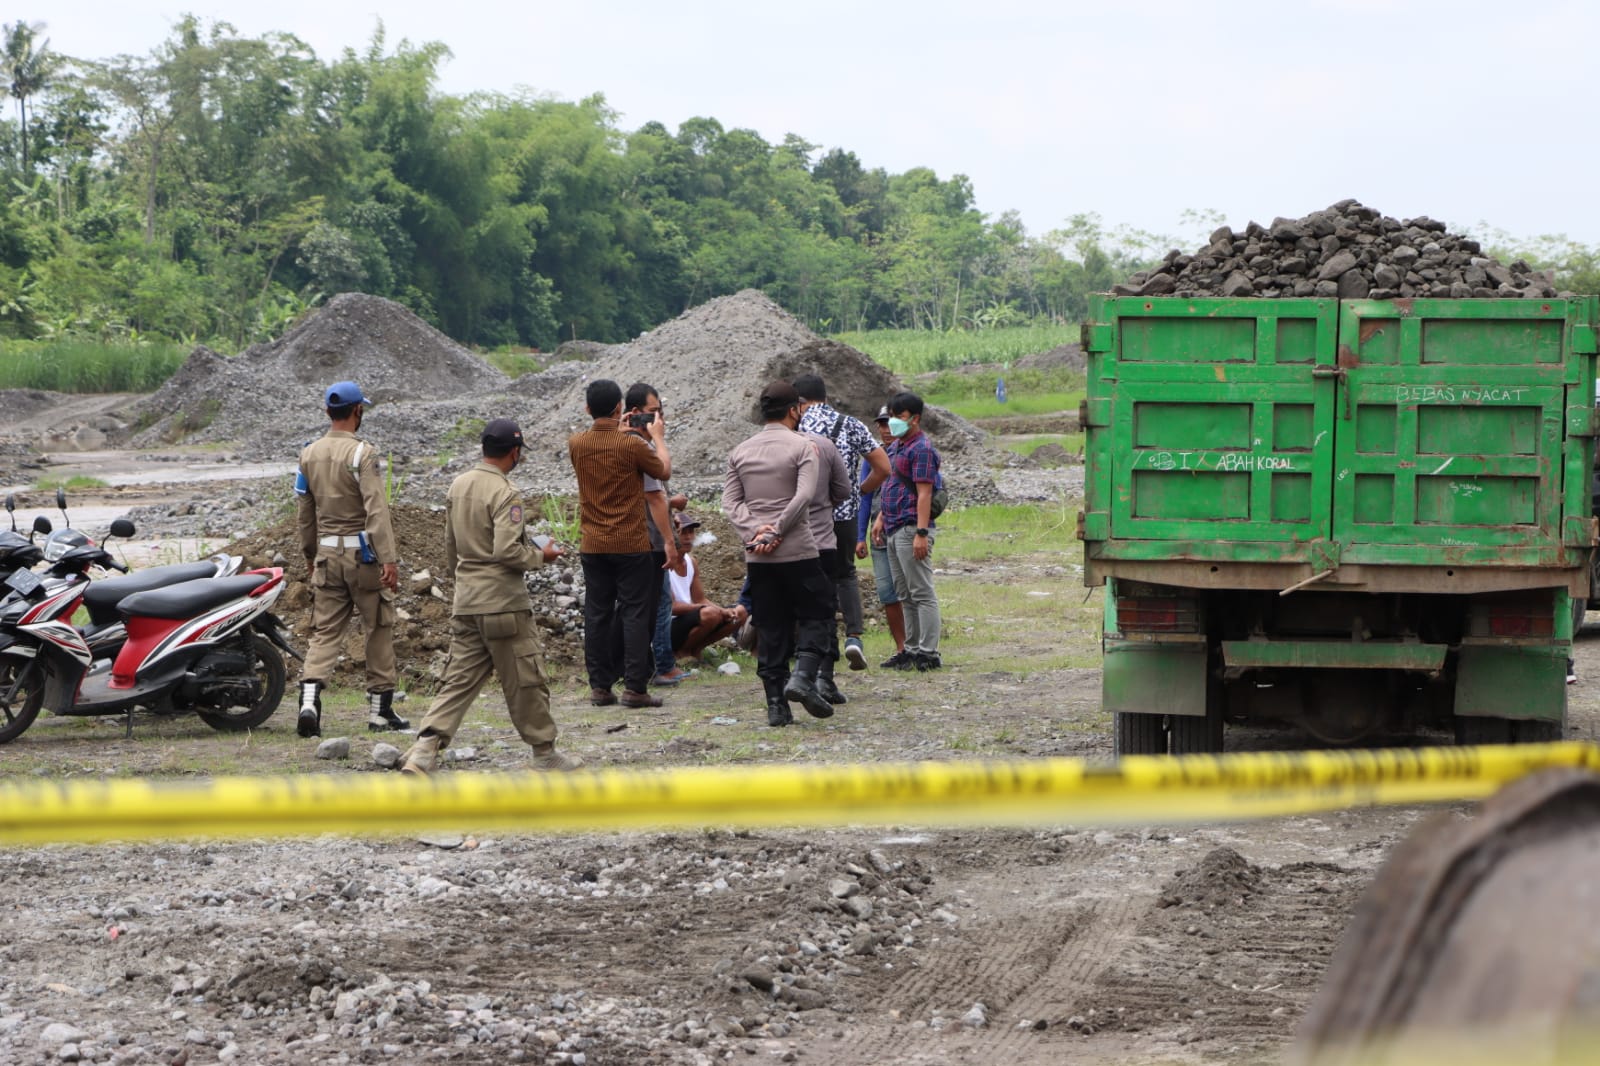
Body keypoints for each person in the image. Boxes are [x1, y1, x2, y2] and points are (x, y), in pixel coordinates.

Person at [400, 420, 580, 774]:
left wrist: (463, 582)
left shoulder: (459, 484)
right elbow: (507, 551)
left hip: (467, 601)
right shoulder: (505, 492)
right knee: (526, 678)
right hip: (503, 604)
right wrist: (542, 557)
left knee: (459, 680)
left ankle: (424, 750)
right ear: (514, 452)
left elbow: (451, 547)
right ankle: (545, 753)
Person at [293, 380, 406, 738]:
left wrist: (310, 556)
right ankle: (379, 711)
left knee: (325, 631)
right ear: (358, 411)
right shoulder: (362, 454)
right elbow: (376, 510)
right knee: (378, 626)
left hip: (326, 556)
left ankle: (309, 699)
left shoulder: (308, 454)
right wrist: (388, 559)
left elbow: (304, 513)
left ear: (328, 412)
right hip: (364, 558)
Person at [722, 381, 834, 726]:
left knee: (771, 625)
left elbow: (730, 503)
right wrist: (778, 529)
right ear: (794, 410)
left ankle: (776, 705)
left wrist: (755, 531)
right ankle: (803, 676)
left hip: (759, 558)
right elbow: (803, 497)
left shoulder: (740, 451)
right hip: (798, 549)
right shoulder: (804, 447)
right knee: (819, 612)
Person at [568, 378, 671, 708]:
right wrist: (656, 438)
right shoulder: (633, 446)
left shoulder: (576, 443)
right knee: (635, 614)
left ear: (587, 409)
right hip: (631, 542)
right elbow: (663, 472)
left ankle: (600, 687)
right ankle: (635, 688)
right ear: (619, 409)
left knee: (597, 614)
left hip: (593, 543)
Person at [793, 373, 890, 672]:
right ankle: (854, 637)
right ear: (825, 396)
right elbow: (883, 467)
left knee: (809, 579)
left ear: (799, 403)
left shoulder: (795, 428)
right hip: (844, 516)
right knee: (845, 574)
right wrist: (858, 492)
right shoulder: (851, 424)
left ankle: (817, 649)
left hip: (807, 517)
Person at [618, 382, 691, 688]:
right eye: (653, 413)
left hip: (625, 538)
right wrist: (669, 543)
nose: (660, 420)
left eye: (661, 412)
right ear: (635, 414)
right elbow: (658, 486)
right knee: (657, 603)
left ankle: (636, 666)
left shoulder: (615, 444)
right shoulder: (642, 446)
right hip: (646, 538)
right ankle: (661, 665)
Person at [872, 390, 943, 671]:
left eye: (899, 417)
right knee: (905, 594)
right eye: (892, 416)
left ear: (915, 419)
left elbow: (924, 494)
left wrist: (921, 533)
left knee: (921, 592)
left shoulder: (922, 449)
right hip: (893, 527)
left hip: (910, 527)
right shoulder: (898, 447)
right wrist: (880, 518)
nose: (893, 422)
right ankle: (910, 649)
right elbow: (894, 486)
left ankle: (928, 652)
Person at [800, 417, 853, 703]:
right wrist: (822, 504)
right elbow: (843, 491)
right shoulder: (823, 445)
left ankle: (790, 677)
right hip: (821, 544)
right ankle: (824, 678)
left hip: (780, 547)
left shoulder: (756, 448)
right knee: (823, 612)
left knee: (786, 614)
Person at [858, 405, 908, 658]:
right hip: (877, 535)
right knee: (887, 592)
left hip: (903, 527)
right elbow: (864, 497)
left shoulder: (908, 452)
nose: (886, 430)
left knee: (910, 588)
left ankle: (918, 644)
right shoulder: (873, 456)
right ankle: (901, 647)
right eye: (881, 424)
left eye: (890, 424)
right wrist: (859, 537)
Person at [668, 513, 746, 660]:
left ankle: (696, 650)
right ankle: (682, 654)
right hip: (669, 624)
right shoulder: (664, 565)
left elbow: (700, 599)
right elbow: (670, 607)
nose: (688, 537)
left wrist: (723, 611)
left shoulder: (691, 562)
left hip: (689, 617)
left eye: (691, 532)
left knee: (739, 613)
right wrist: (707, 610)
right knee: (710, 614)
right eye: (682, 533)